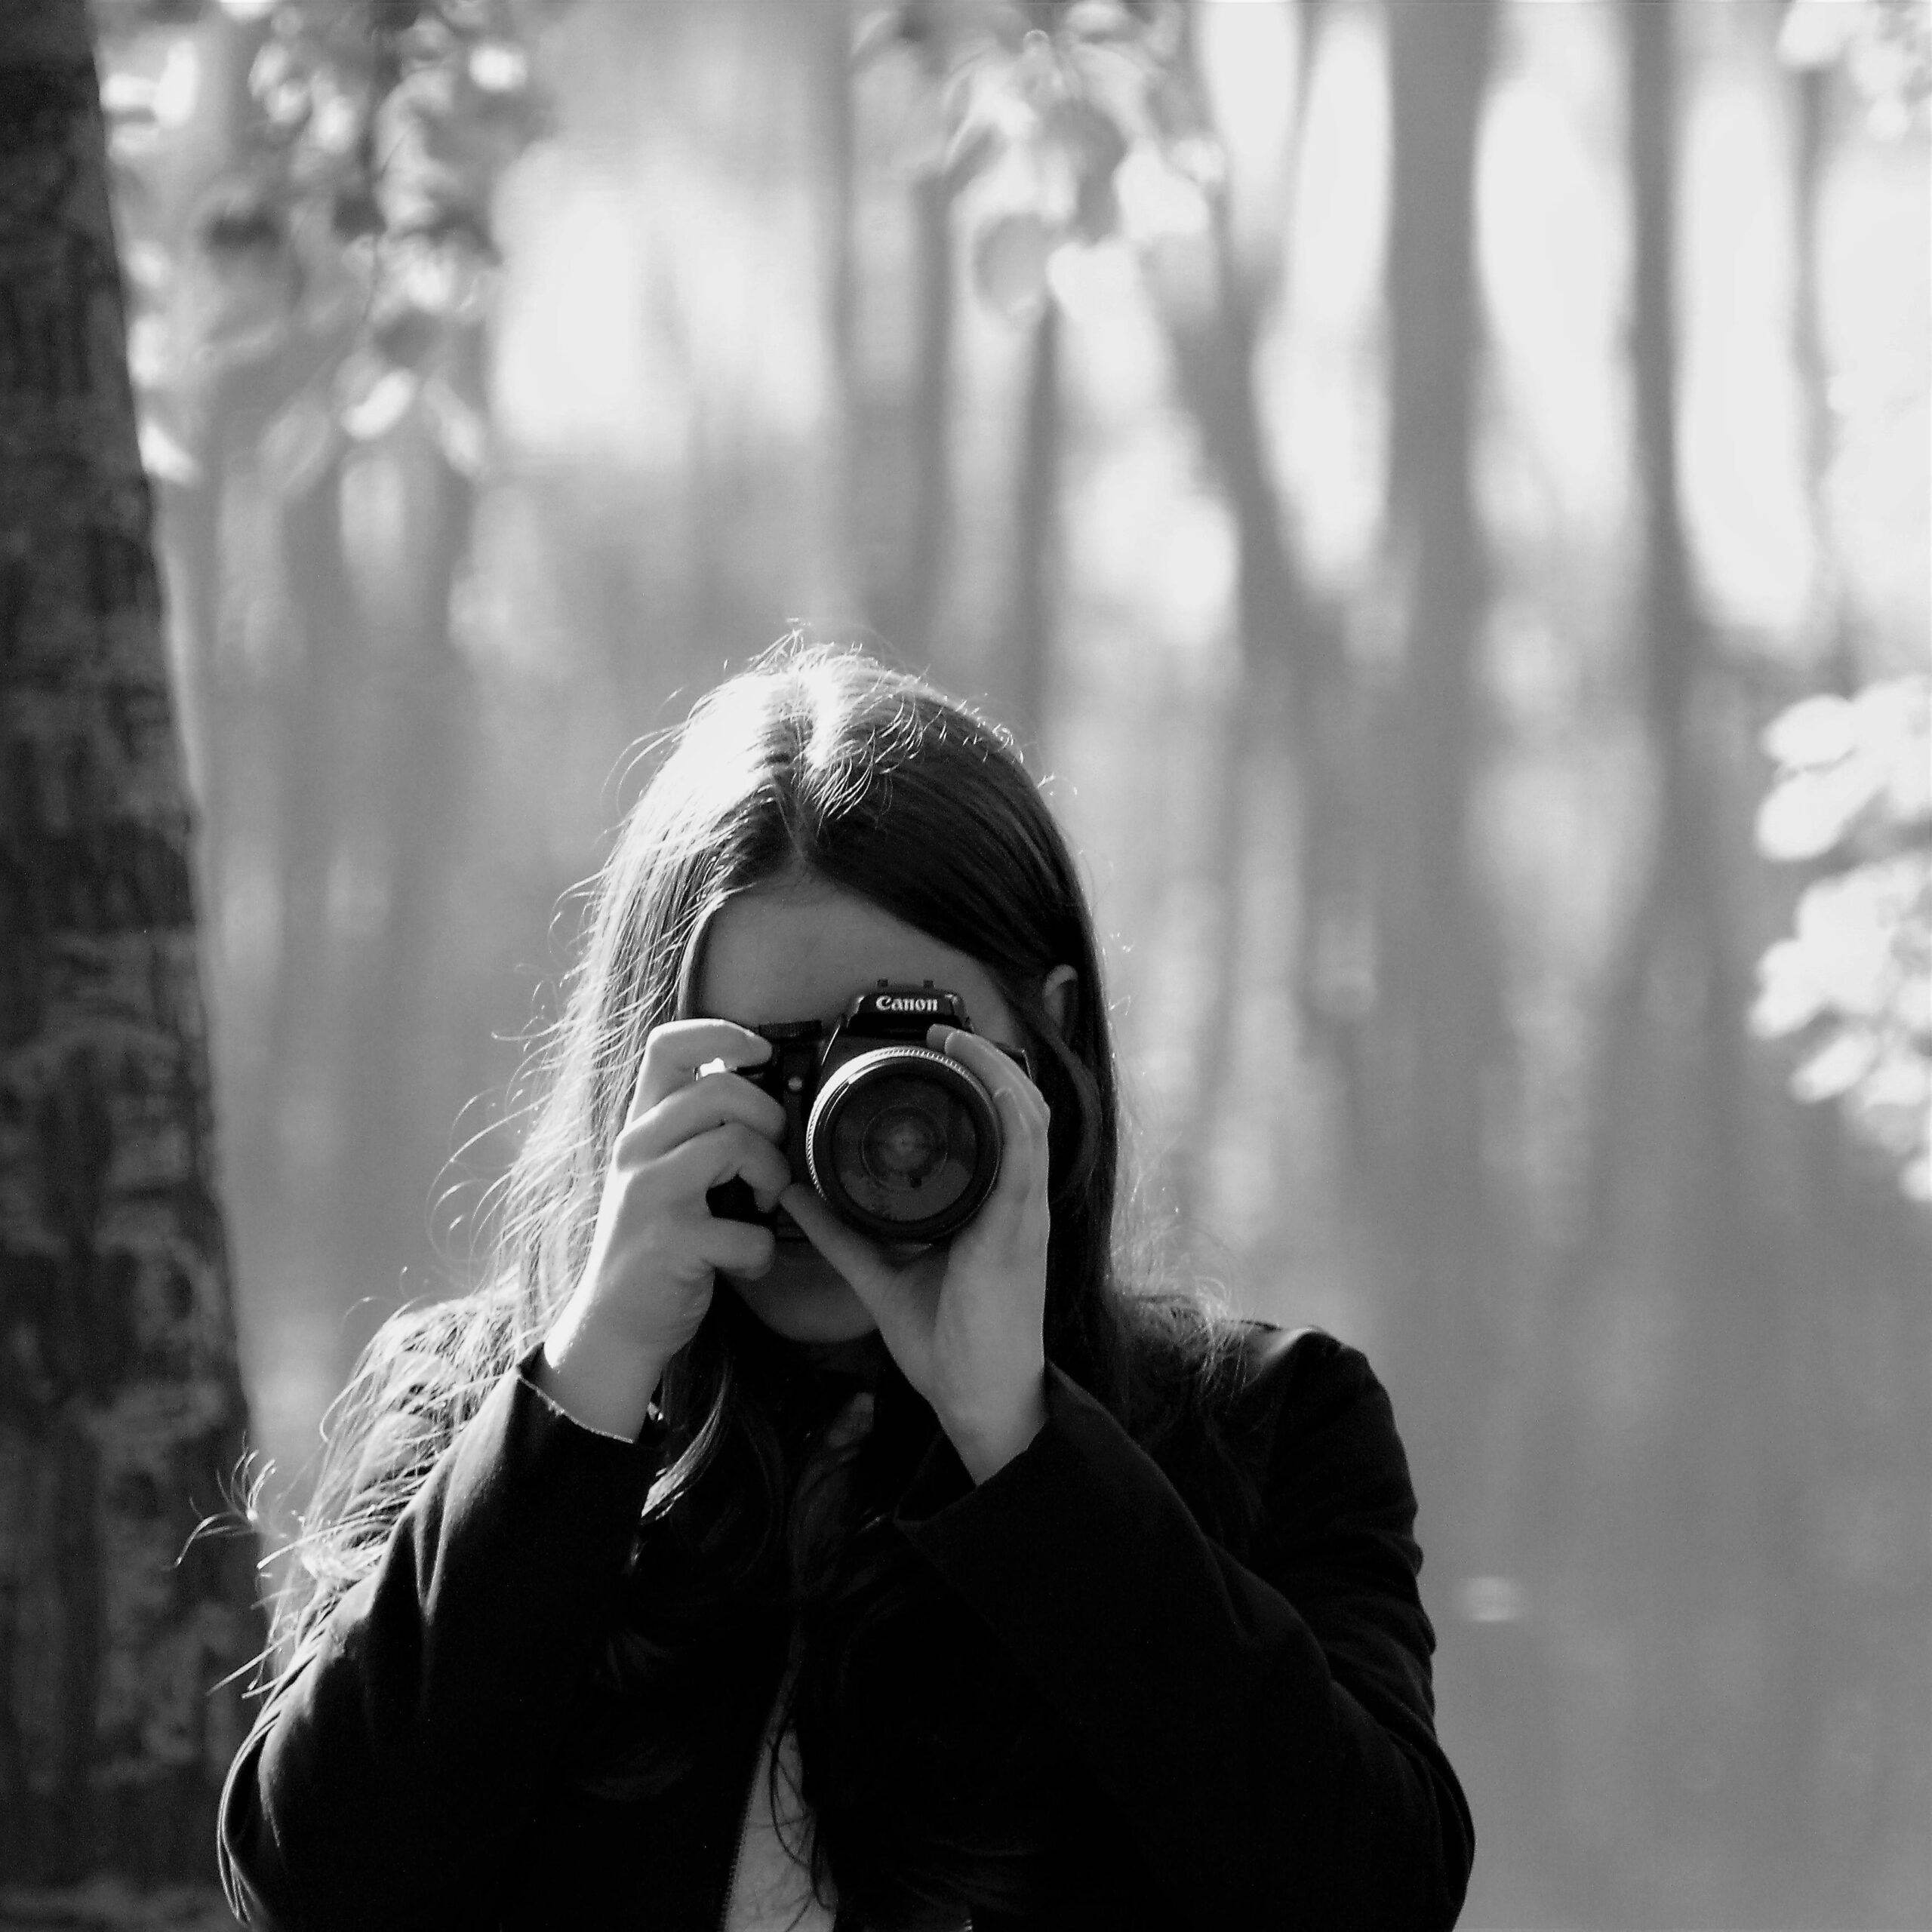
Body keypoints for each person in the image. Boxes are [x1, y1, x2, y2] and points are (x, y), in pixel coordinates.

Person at [218, 643, 1474, 1931]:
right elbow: (312, 1894)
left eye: (898, 1060)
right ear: (641, 1068)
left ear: (1048, 1038)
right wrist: (590, 1386)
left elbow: (1371, 1897)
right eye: (766, 1067)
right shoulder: (482, 1416)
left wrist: (1026, 1449)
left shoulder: (1265, 1430)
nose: (833, 1141)